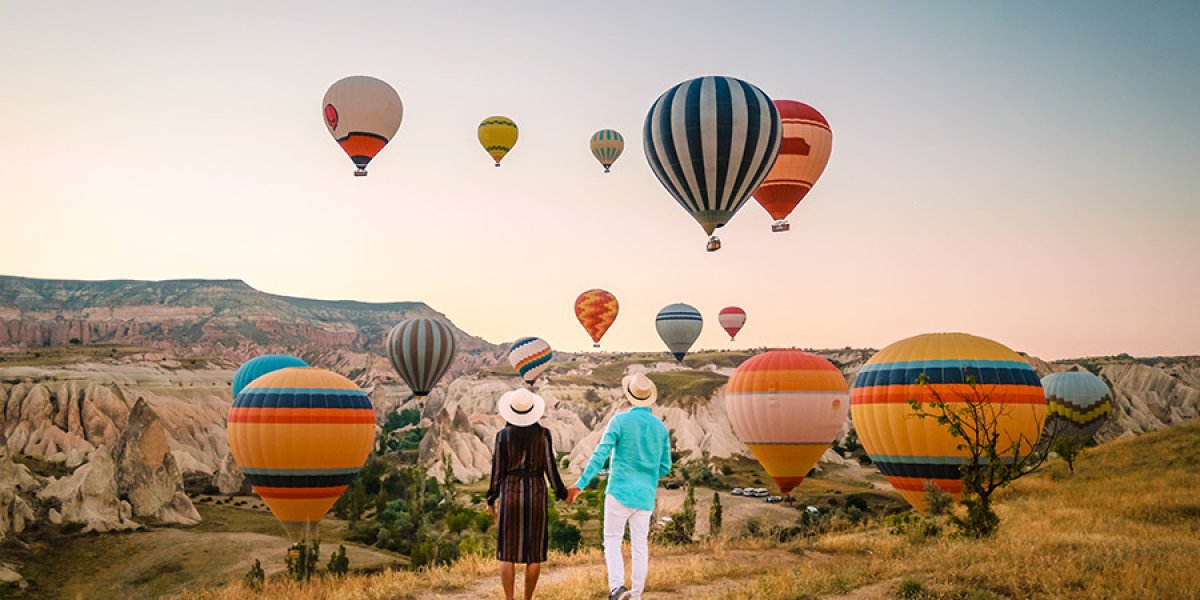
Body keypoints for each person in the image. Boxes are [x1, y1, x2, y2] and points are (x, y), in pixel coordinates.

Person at [567, 373, 671, 600]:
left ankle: (616, 589)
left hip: (618, 493)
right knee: (639, 546)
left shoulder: (619, 421)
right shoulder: (660, 429)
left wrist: (580, 484)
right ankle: (636, 595)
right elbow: (665, 467)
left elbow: (600, 454)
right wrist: (647, 473)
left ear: (629, 397)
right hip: (644, 496)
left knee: (612, 540)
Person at [487, 388, 568, 600]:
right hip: (536, 494)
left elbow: (497, 471)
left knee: (507, 552)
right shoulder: (544, 435)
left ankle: (509, 599)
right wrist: (562, 493)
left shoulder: (502, 436)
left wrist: (491, 499)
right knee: (534, 554)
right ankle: (527, 599)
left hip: (510, 493)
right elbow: (551, 469)